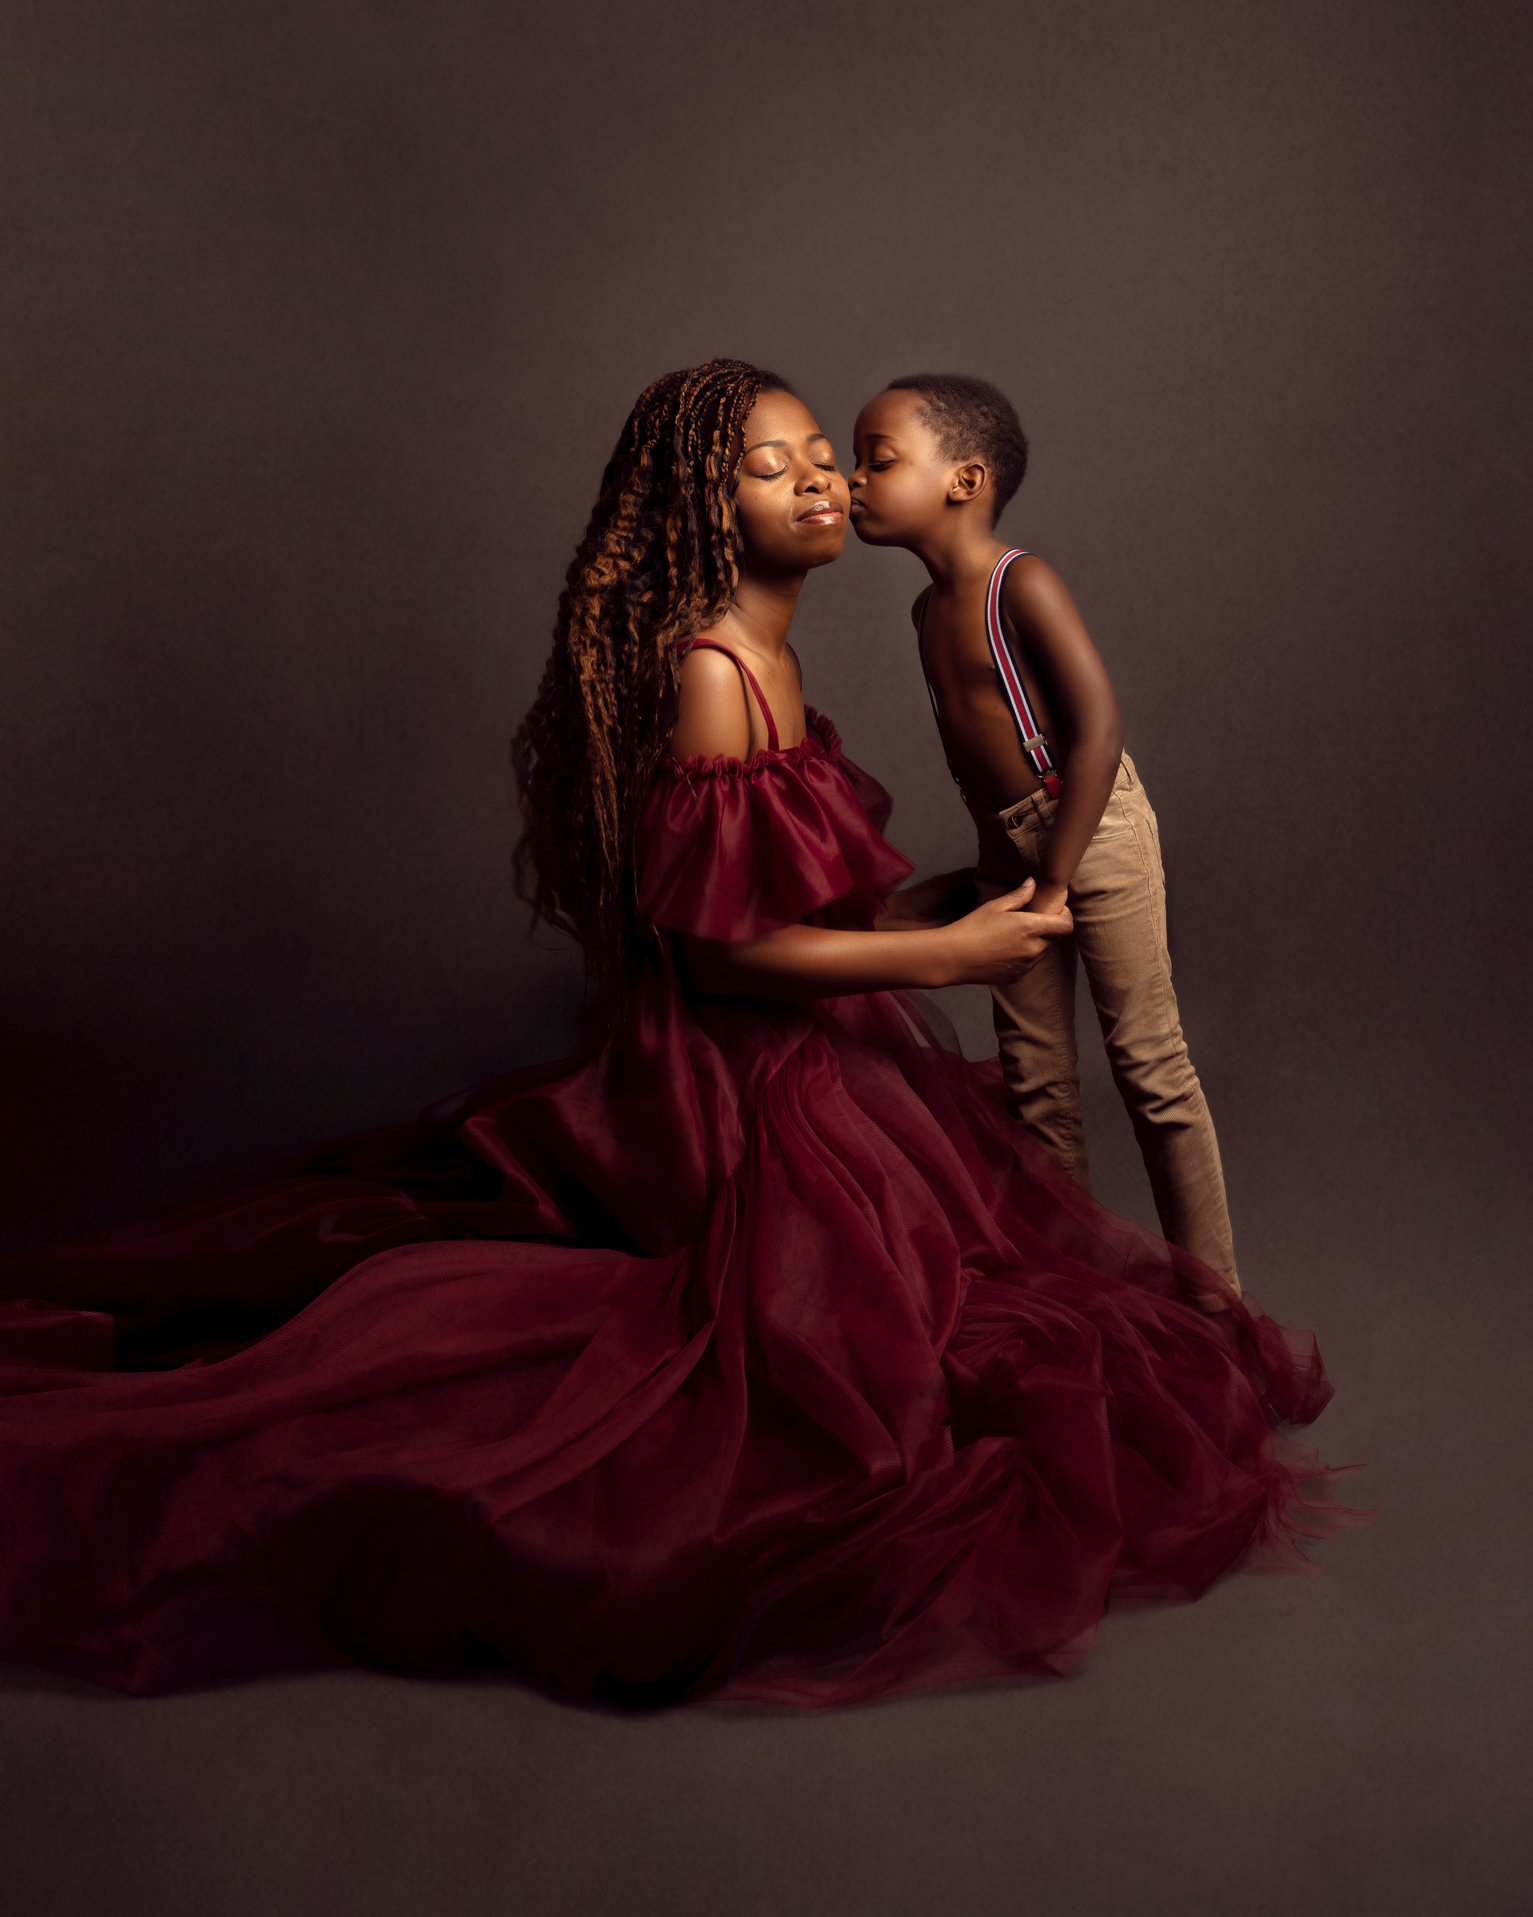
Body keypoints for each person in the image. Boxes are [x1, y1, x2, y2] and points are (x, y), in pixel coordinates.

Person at [0, 360, 1354, 1708]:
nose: (823, 477)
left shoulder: (779, 652)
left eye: (828, 452)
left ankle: (1177, 1290)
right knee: (829, 1389)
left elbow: (783, 876)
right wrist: (941, 953)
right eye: (774, 466)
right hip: (726, 1070)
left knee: (1005, 1283)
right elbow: (723, 949)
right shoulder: (714, 673)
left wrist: (913, 905)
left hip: (807, 1033)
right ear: (704, 511)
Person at [850, 374, 1241, 1289]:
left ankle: (1218, 1297)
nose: (856, 480)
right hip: (1007, 849)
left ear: (964, 479)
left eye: (880, 460)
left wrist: (1057, 879)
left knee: (1150, 1066)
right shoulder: (922, 611)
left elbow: (1098, 730)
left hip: (1089, 828)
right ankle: (1078, 1292)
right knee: (1034, 1082)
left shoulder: (1017, 582)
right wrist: (991, 878)